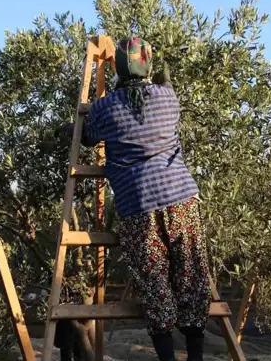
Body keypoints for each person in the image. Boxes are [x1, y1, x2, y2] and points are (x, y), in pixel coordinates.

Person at [58, 37, 209, 361]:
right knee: (191, 275)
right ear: (148, 65)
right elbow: (161, 95)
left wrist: (66, 129)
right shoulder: (168, 97)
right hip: (181, 198)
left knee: (154, 281)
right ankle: (195, 356)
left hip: (138, 205)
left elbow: (86, 137)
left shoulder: (105, 107)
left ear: (118, 69)